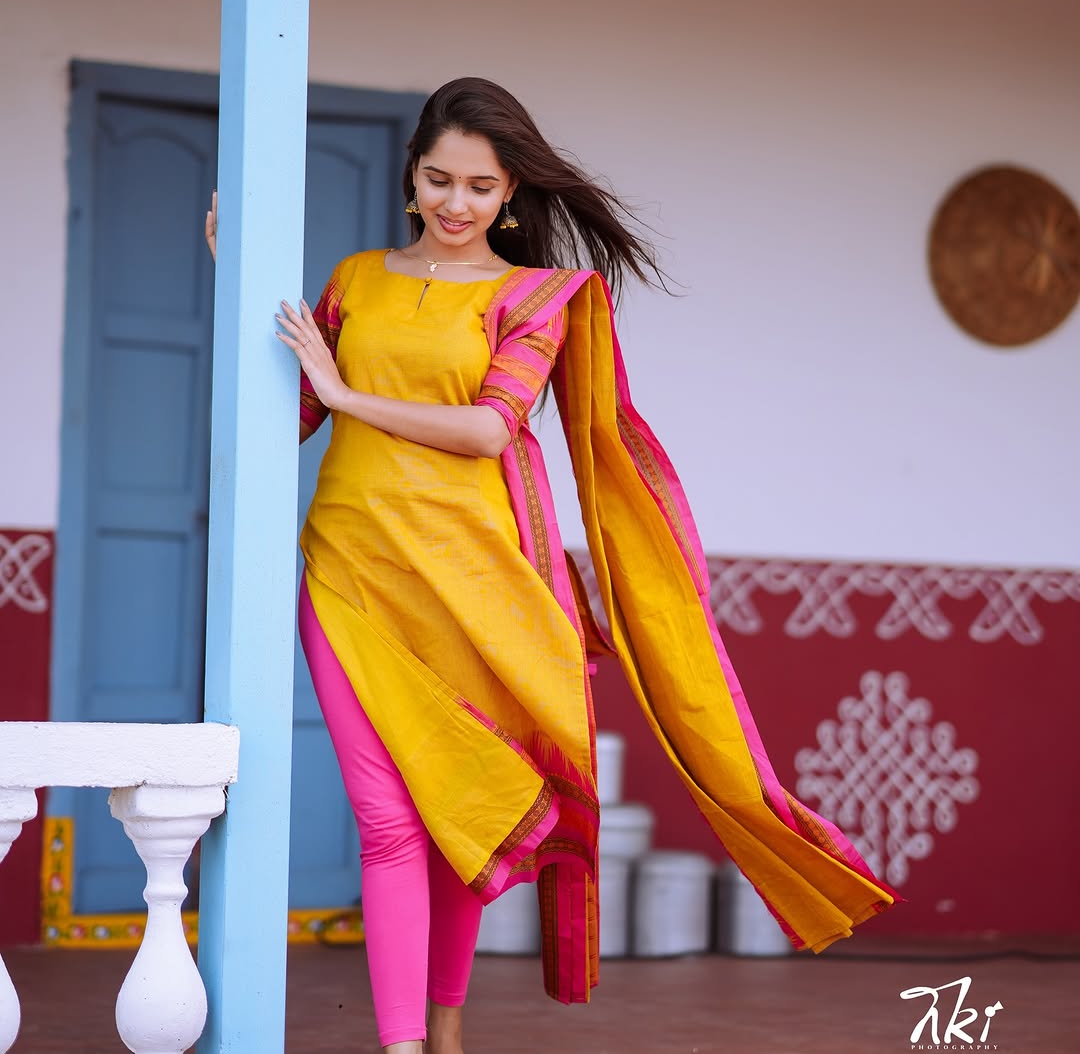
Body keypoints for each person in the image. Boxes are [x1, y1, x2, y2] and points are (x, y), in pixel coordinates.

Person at [205, 77, 899, 1054]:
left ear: (511, 197)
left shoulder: (533, 297)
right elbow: (292, 415)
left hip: (478, 590)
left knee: (462, 817)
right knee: (388, 821)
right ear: (411, 178)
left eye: (480, 188)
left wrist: (346, 393)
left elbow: (491, 430)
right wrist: (235, 284)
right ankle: (405, 1045)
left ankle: (443, 1027)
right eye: (439, 180)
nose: (456, 204)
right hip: (350, 576)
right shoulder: (355, 281)